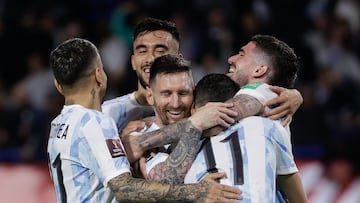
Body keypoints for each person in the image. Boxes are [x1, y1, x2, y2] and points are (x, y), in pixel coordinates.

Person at [46, 37, 242, 202]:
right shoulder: (94, 121)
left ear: (57, 85)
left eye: (183, 93)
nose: (175, 102)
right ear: (99, 74)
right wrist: (197, 191)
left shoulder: (58, 125)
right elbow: (124, 189)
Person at [102, 17, 302, 137]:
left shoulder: (197, 96)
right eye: (142, 51)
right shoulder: (109, 113)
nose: (151, 58)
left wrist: (293, 94)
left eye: (160, 50)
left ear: (178, 58)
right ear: (132, 61)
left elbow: (245, 99)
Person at [185, 72, 308, 203]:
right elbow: (296, 194)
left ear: (193, 108)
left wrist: (192, 192)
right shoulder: (268, 127)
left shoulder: (183, 153)